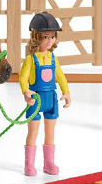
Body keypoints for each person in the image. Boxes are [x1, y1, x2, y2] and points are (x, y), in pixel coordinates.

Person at [19, 11, 72, 175]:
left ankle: (49, 163)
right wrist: (26, 91)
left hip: (51, 100)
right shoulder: (30, 59)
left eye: (52, 36)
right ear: (36, 37)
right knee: (33, 132)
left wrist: (66, 92)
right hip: (35, 100)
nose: (50, 40)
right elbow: (23, 77)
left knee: (50, 133)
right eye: (45, 37)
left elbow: (60, 76)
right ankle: (29, 165)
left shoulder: (53, 58)